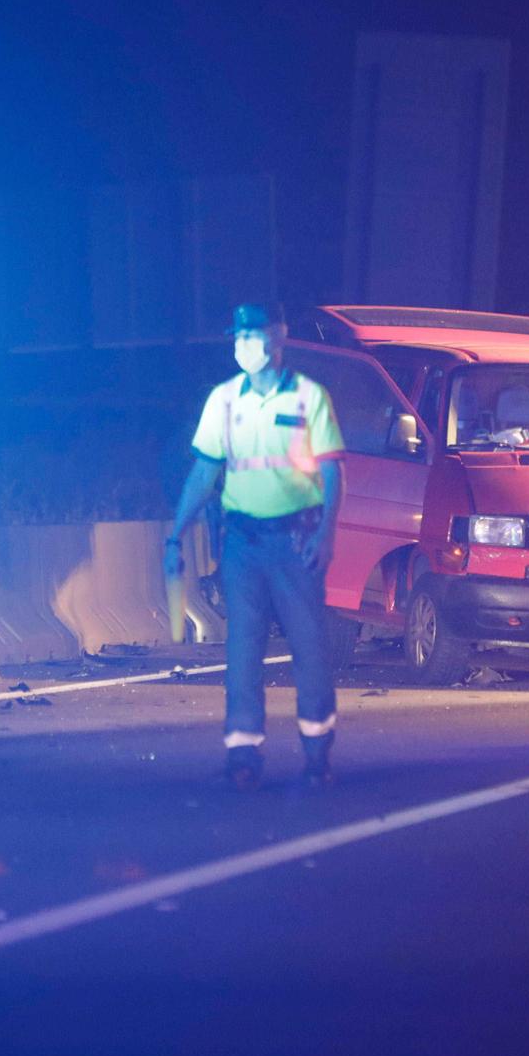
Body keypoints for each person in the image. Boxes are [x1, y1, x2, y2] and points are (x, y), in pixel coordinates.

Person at [166, 303, 345, 789]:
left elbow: (332, 471)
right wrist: (175, 533)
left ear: (278, 338)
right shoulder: (223, 401)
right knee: (243, 649)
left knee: (309, 645)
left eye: (252, 334)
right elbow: (204, 472)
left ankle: (316, 752)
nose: (243, 344)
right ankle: (243, 754)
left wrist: (327, 532)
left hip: (297, 540)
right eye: (239, 335)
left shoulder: (310, 397)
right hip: (242, 542)